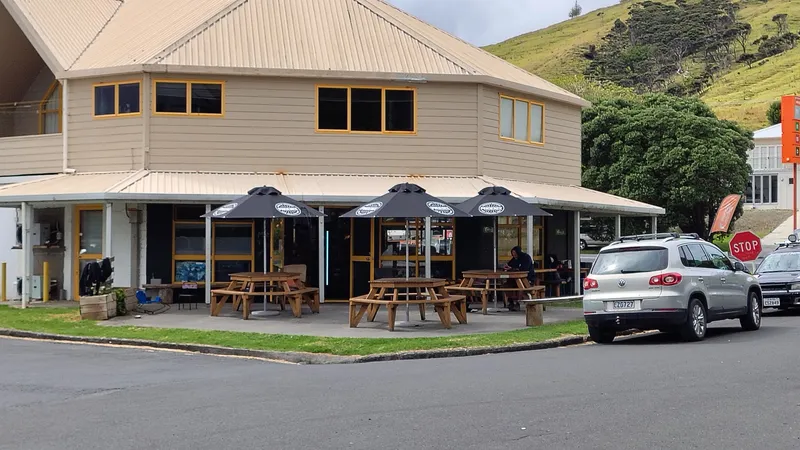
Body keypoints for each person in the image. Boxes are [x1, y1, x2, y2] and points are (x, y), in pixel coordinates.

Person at [503, 246, 535, 311]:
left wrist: (513, 269)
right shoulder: (514, 259)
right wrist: (506, 267)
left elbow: (525, 269)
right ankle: (511, 301)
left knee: (520, 286)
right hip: (514, 279)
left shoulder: (526, 258)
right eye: (512, 253)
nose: (513, 255)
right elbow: (509, 265)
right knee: (506, 285)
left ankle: (517, 302)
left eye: (514, 253)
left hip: (527, 278)